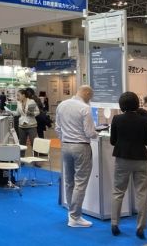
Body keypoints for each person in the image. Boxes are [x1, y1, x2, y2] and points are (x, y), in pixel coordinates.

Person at [110, 92, 147, 239]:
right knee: (142, 193)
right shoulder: (143, 120)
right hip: (140, 159)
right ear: (136, 104)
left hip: (122, 158)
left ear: (121, 105)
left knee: (118, 192)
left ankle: (114, 224)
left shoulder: (117, 119)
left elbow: (113, 141)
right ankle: (141, 227)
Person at [55, 85, 97, 228]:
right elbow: (90, 133)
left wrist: (65, 139)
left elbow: (57, 128)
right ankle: (75, 217)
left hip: (66, 146)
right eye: (90, 96)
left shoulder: (62, 104)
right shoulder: (85, 108)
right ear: (86, 93)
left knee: (69, 181)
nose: (90, 99)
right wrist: (97, 133)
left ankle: (71, 213)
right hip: (81, 147)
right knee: (80, 182)